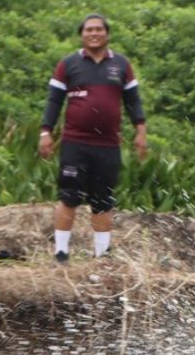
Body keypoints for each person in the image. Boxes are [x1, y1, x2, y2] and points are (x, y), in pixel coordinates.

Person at [37, 14, 148, 264]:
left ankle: (102, 255)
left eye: (99, 29)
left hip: (108, 145)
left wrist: (140, 129)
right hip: (75, 143)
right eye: (89, 30)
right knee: (69, 196)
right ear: (82, 34)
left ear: (107, 34)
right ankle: (61, 252)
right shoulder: (68, 64)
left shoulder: (121, 64)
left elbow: (133, 100)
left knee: (103, 199)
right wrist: (46, 131)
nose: (94, 33)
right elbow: (54, 101)